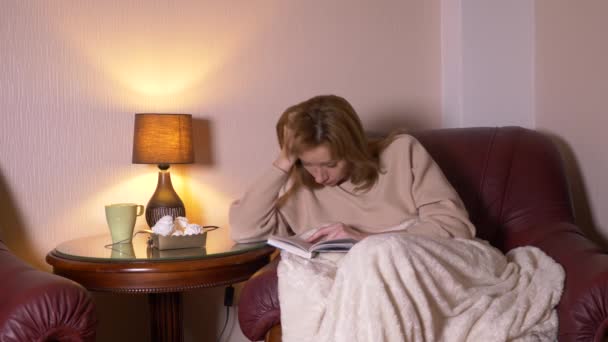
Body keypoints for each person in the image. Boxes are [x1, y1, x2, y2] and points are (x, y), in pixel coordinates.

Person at [229, 94, 475, 244]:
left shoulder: (402, 153)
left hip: (410, 262)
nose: (320, 176)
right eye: (308, 164)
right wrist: (283, 162)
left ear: (353, 148)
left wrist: (366, 241)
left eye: (330, 164)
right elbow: (244, 231)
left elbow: (455, 228)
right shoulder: (302, 183)